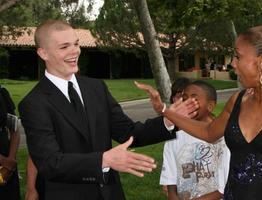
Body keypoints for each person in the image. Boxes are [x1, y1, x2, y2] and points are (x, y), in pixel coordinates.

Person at [18, 19, 197, 200]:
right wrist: (104, 160)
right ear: (43, 53)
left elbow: (128, 132)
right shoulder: (34, 103)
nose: (75, 51)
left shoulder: (96, 88)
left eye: (76, 44)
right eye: (64, 47)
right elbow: (50, 163)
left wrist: (168, 120)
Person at [137, 19, 262, 200]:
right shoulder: (238, 101)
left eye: (238, 57)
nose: (233, 64)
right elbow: (208, 132)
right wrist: (165, 110)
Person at [160, 80, 230, 200]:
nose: (188, 103)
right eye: (185, 98)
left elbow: (227, 184)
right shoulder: (174, 139)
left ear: (210, 106)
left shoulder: (225, 138)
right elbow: (170, 180)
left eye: (194, 99)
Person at [161, 77, 191, 196]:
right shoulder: (171, 136)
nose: (183, 101)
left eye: (187, 96)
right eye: (179, 96)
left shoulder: (207, 130)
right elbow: (168, 183)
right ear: (173, 99)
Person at [0, 85, 20, 200]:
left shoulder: (2, 92)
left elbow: (15, 128)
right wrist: (3, 160)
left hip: (7, 157)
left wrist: (10, 161)